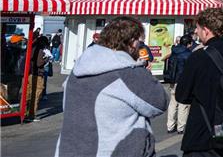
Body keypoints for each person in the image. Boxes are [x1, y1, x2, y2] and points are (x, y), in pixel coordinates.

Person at [55, 17, 167, 157]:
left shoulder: (78, 70)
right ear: (132, 42)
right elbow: (159, 102)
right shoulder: (128, 73)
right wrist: (140, 68)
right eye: (139, 40)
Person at [176, 8, 223, 157]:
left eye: (197, 28)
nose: (196, 32)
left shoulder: (198, 56)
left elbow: (182, 95)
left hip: (203, 133)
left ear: (206, 30)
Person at [165, 34, 193, 134]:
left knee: (173, 103)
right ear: (189, 44)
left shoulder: (174, 52)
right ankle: (181, 127)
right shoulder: (188, 54)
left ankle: (170, 126)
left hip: (173, 81)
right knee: (183, 104)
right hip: (183, 81)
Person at [24, 35, 50, 121]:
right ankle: (31, 115)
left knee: (28, 94)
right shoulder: (40, 50)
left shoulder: (32, 47)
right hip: (37, 74)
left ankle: (24, 113)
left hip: (29, 73)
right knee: (36, 95)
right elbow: (39, 63)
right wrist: (47, 59)